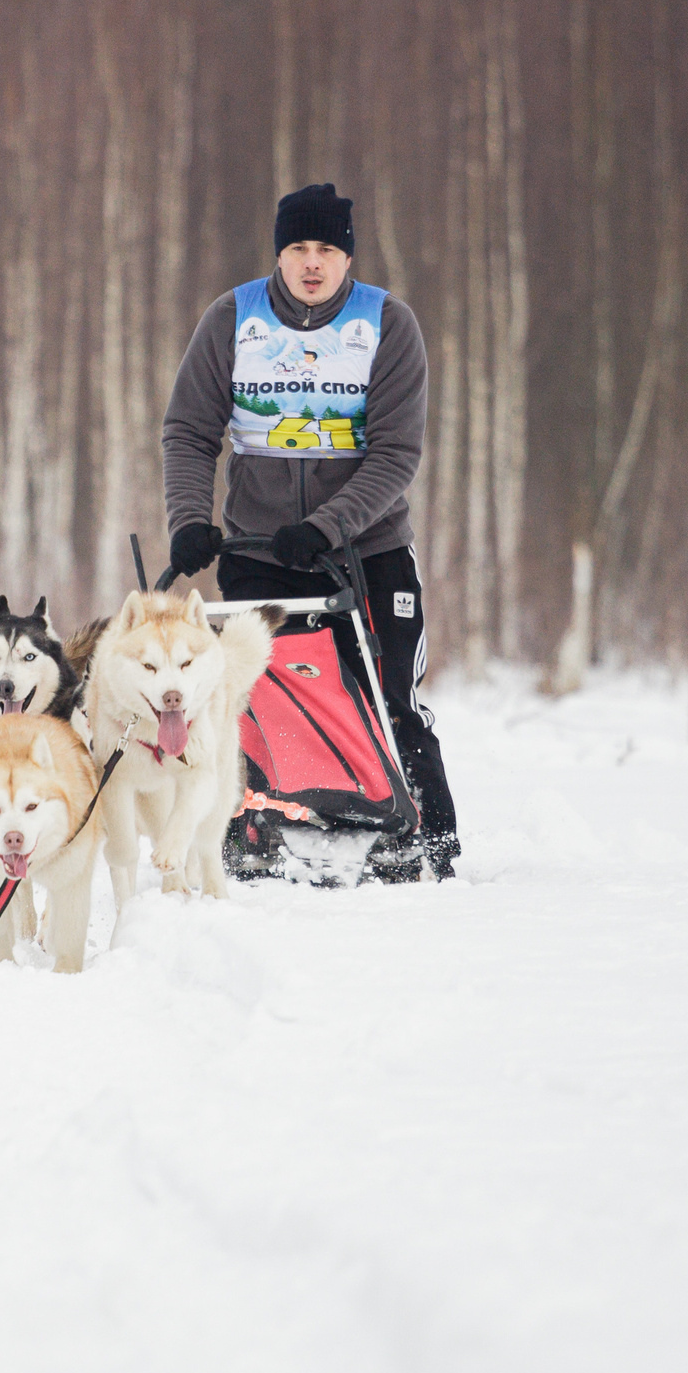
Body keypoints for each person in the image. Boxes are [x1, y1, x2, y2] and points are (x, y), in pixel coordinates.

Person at [160, 182, 459, 881]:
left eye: (326, 248)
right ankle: (253, 828)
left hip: (367, 547)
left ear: (348, 256)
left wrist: (327, 526)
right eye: (298, 247)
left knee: (389, 697)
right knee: (252, 701)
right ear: (279, 253)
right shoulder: (233, 319)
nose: (312, 262)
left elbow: (396, 454)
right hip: (259, 551)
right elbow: (189, 431)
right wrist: (190, 521)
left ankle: (430, 841)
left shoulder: (386, 323)